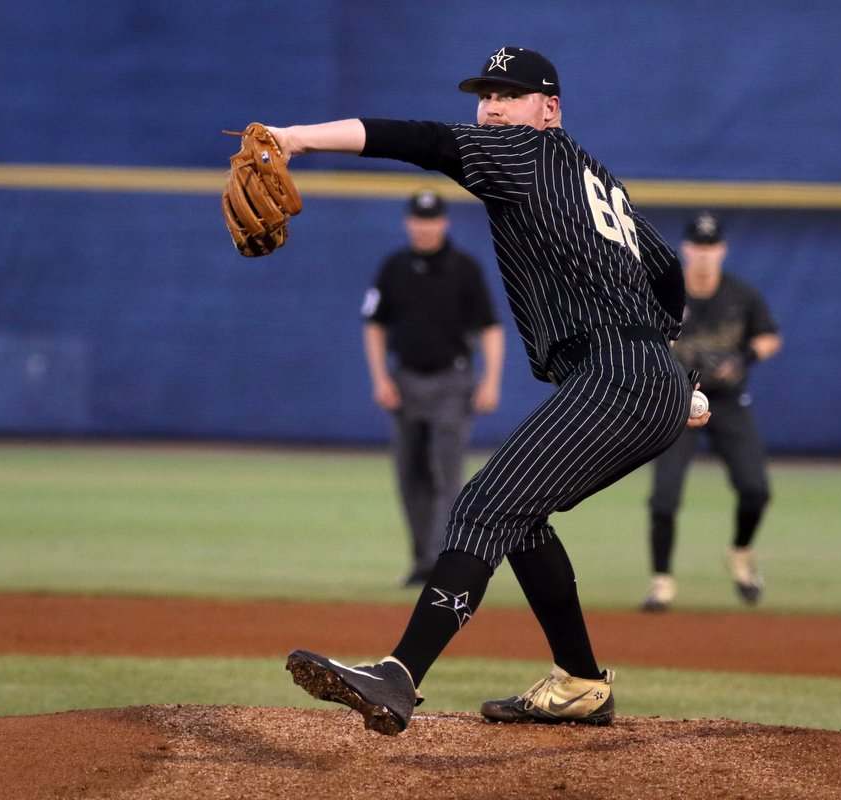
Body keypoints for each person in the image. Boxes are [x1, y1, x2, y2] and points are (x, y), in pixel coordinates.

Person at [270, 45, 708, 736]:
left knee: (481, 504)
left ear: (549, 109)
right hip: (641, 374)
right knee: (520, 515)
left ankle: (398, 675)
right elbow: (669, 273)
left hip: (618, 372)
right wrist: (669, 369)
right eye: (485, 94)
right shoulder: (596, 178)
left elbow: (419, 140)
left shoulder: (525, 155)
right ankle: (582, 682)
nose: (492, 106)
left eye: (509, 93)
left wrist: (297, 137)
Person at [362, 190, 505, 587]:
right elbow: (375, 324)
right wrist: (380, 377)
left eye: (432, 220)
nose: (425, 227)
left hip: (452, 382)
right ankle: (422, 560)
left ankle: (443, 563)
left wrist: (491, 379)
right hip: (406, 381)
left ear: (444, 223)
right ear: (410, 223)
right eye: (418, 220)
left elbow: (490, 327)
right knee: (411, 476)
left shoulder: (464, 268)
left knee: (448, 475)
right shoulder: (394, 267)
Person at [642, 211, 782, 611]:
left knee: (755, 489)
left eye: (711, 247)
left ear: (722, 251)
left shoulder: (741, 294)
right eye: (697, 246)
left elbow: (771, 337)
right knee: (664, 498)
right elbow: (642, 336)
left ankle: (740, 552)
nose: (704, 254)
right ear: (686, 249)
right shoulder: (665, 291)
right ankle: (661, 582)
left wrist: (743, 357)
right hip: (676, 400)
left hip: (727, 400)